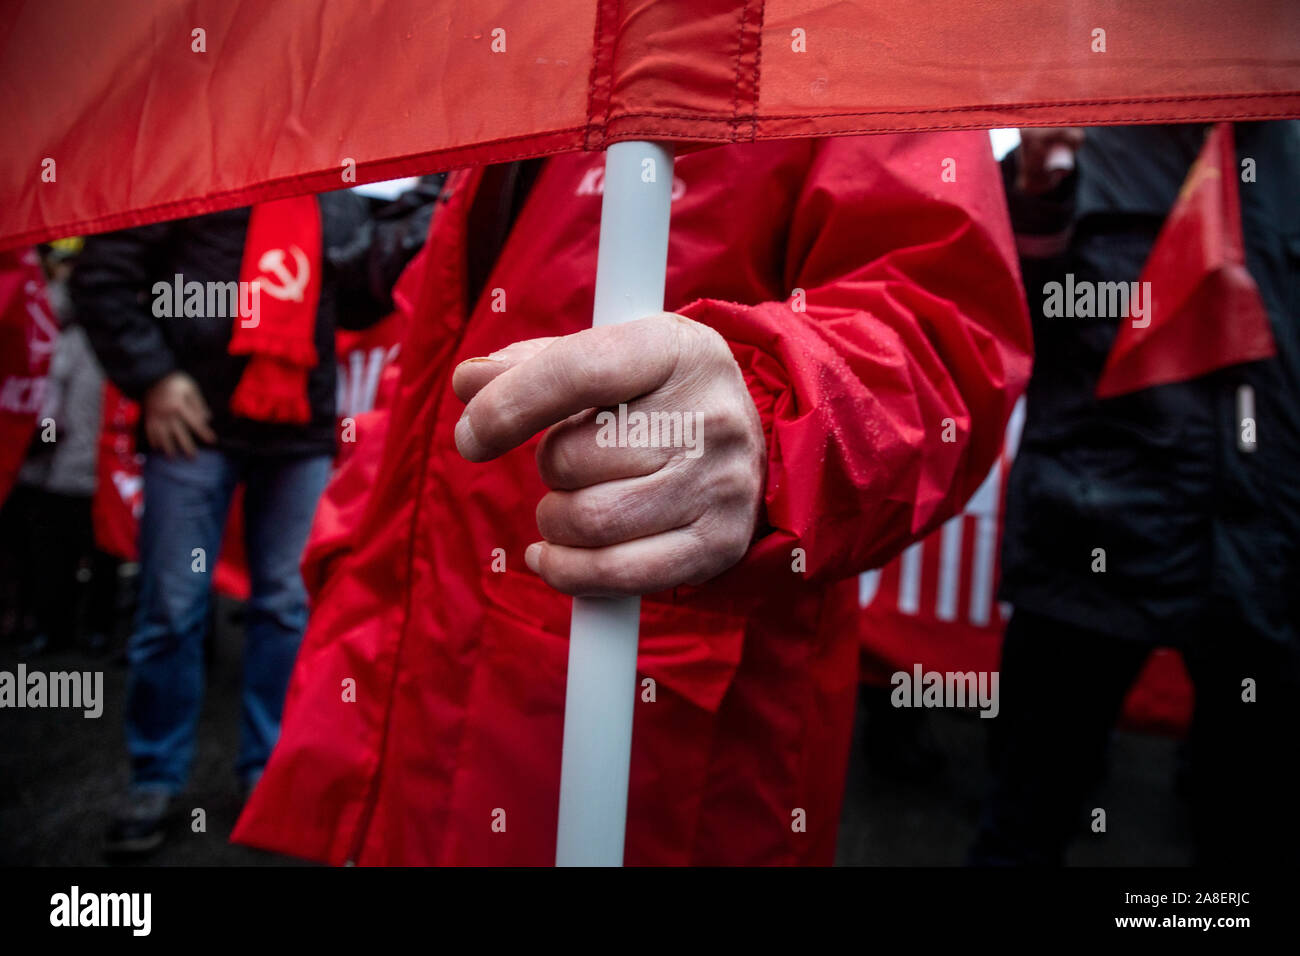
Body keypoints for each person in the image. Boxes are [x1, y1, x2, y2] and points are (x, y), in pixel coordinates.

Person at [235, 135, 1032, 865]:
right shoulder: (528, 49)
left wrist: (768, 424)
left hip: (652, 749)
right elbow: (434, 360)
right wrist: (349, 553)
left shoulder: (836, 28)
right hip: (419, 697)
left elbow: (944, 332)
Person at [972, 122, 1300, 866]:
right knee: (1028, 817)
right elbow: (998, 324)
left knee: (1251, 831)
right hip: (1091, 539)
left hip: (1268, 556)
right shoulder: (1081, 127)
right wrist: (1036, 196)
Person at [72, 185, 435, 856]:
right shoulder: (196, 175)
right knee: (173, 607)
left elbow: (360, 295)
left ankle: (268, 773)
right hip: (194, 429)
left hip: (296, 433)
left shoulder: (336, 195)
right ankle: (154, 775)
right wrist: (153, 376)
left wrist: (428, 206)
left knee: (286, 605)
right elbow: (103, 276)